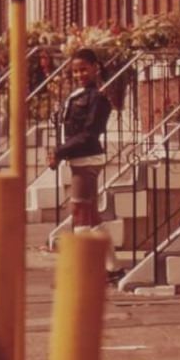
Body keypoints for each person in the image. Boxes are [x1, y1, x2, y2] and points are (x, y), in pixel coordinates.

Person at [49, 48, 112, 233]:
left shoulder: (98, 98)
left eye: (84, 69)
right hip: (80, 158)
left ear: (95, 68)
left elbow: (89, 134)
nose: (80, 74)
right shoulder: (76, 96)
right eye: (76, 71)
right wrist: (59, 152)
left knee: (79, 211)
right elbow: (66, 129)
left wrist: (58, 152)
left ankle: (84, 261)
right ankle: (109, 262)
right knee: (91, 215)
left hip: (88, 158)